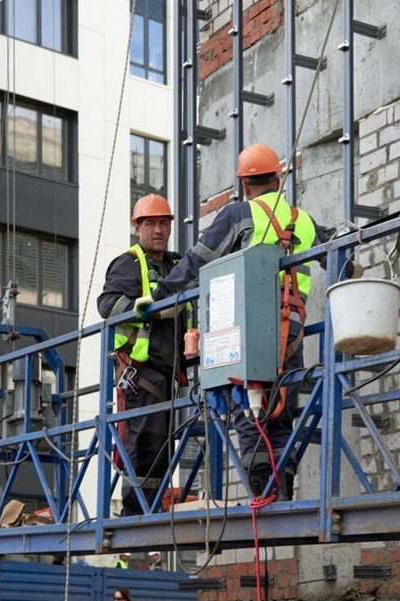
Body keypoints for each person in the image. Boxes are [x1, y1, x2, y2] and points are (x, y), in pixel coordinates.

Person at [137, 144, 323, 501]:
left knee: (246, 398)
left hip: (251, 323)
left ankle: (259, 483)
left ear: (244, 184)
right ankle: (281, 481)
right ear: (278, 177)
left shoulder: (239, 214)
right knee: (282, 402)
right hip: (292, 328)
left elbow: (196, 262)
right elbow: (337, 249)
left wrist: (158, 297)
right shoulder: (301, 218)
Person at [97, 194, 186, 516]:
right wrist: (148, 313)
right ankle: (136, 512)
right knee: (144, 443)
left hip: (169, 372)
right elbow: (107, 305)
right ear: (138, 228)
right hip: (141, 373)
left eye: (163, 223)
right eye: (151, 224)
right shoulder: (129, 262)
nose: (158, 230)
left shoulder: (177, 264)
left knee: (163, 446)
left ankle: (153, 507)